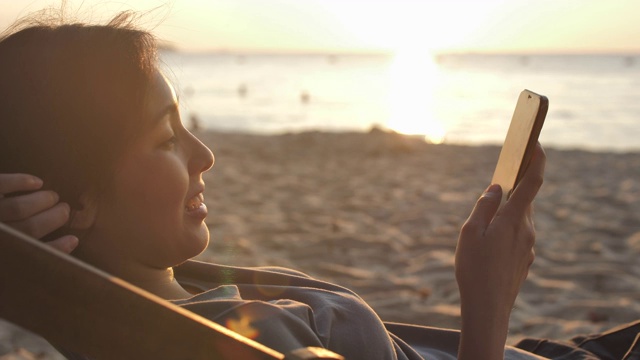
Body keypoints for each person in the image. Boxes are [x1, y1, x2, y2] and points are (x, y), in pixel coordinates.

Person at [0, 12, 637, 360]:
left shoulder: (171, 293)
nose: (206, 155)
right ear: (77, 196)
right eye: (166, 139)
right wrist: (488, 301)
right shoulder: (211, 340)